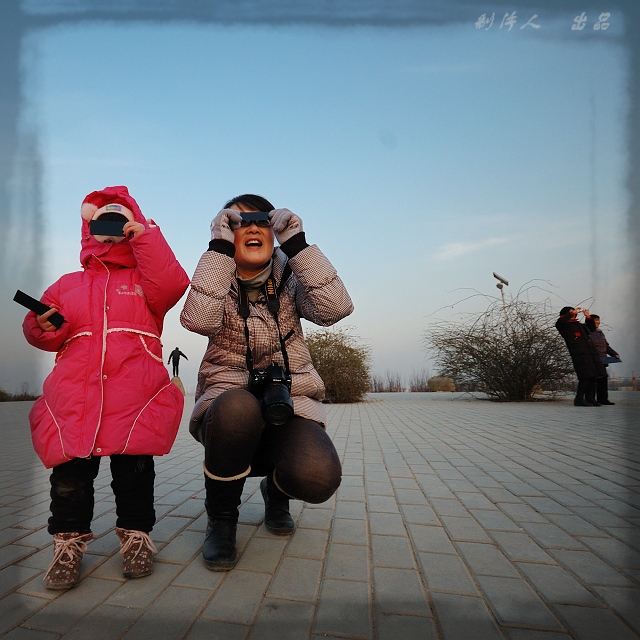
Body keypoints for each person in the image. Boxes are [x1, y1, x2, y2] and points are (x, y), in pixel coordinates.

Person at [22, 186, 189, 589]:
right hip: (75, 399)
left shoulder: (146, 284)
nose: (110, 231)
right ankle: (67, 543)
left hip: (134, 397)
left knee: (134, 475)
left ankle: (136, 537)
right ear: (87, 230)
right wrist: (40, 326)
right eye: (102, 222)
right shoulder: (66, 285)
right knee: (69, 481)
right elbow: (45, 334)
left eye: (120, 220)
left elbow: (172, 284)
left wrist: (145, 235)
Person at [180, 194, 353, 570]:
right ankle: (222, 519)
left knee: (318, 477)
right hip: (230, 410)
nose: (253, 228)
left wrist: (298, 246)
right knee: (238, 406)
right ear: (227, 232)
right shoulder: (217, 275)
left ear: (273, 235)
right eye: (240, 223)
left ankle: (276, 490)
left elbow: (335, 309)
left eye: (263, 222)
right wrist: (218, 250)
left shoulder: (291, 277)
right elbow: (197, 320)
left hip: (288, 405)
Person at [555, 306, 606, 406]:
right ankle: (579, 399)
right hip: (579, 354)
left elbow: (591, 328)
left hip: (590, 353)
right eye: (571, 313)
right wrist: (572, 313)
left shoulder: (578, 325)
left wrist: (588, 317)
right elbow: (560, 322)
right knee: (585, 377)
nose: (574, 314)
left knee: (592, 376)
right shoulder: (563, 325)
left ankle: (589, 398)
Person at [585, 314, 620, 405]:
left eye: (599, 320)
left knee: (603, 379)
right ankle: (590, 399)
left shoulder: (600, 333)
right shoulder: (586, 332)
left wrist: (614, 354)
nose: (598, 322)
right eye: (596, 320)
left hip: (603, 360)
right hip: (592, 360)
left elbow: (606, 346)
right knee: (591, 381)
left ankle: (603, 399)